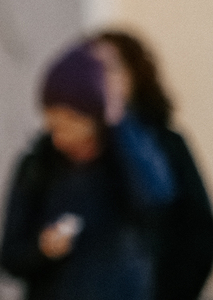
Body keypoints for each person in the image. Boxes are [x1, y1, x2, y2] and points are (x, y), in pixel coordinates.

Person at [0, 43, 176, 300]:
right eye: (53, 124)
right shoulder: (39, 165)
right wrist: (42, 250)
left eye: (70, 123)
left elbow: (157, 197)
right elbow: (8, 255)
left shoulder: (126, 160)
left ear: (94, 119)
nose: (59, 137)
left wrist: (119, 123)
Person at [90, 29, 213, 300]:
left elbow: (199, 230)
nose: (100, 79)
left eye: (110, 69)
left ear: (135, 74)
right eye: (91, 69)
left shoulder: (166, 145)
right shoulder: (61, 150)